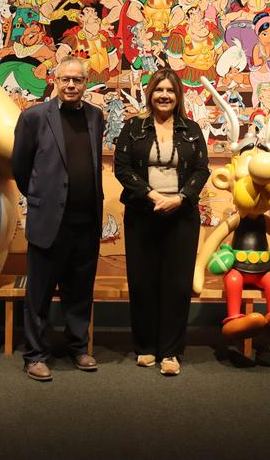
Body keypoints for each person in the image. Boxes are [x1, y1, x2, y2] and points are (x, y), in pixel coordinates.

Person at [11, 56, 104, 382]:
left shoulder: (96, 116)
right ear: (54, 79)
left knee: (80, 291)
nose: (71, 85)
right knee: (38, 294)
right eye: (65, 79)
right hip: (49, 221)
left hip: (86, 222)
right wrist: (41, 198)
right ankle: (35, 355)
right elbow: (20, 167)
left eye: (77, 80)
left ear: (86, 82)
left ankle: (79, 348)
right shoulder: (34, 117)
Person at [113, 69, 210, 376]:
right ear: (150, 94)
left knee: (176, 283)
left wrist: (180, 198)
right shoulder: (133, 127)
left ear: (178, 95)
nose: (164, 95)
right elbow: (122, 168)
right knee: (143, 281)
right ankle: (145, 347)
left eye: (170, 90)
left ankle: (170, 352)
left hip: (182, 215)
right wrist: (152, 195)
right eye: (159, 90)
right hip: (143, 213)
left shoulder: (192, 129)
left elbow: (201, 170)